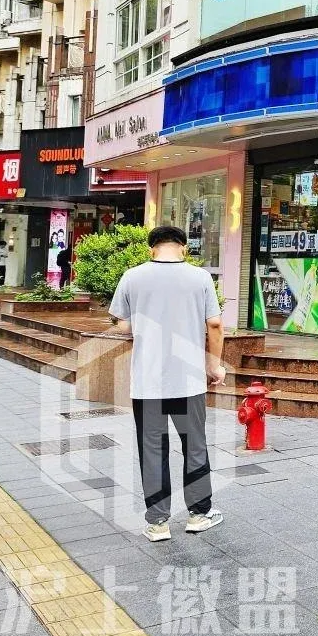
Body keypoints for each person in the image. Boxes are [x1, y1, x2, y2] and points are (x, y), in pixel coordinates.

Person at [109, 226, 224, 543]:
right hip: (189, 382)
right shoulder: (200, 278)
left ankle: (158, 522)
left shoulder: (132, 277)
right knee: (194, 447)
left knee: (152, 450)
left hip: (148, 384)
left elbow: (122, 326)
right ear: (183, 247)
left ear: (151, 248)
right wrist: (214, 365)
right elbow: (215, 324)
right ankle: (199, 514)